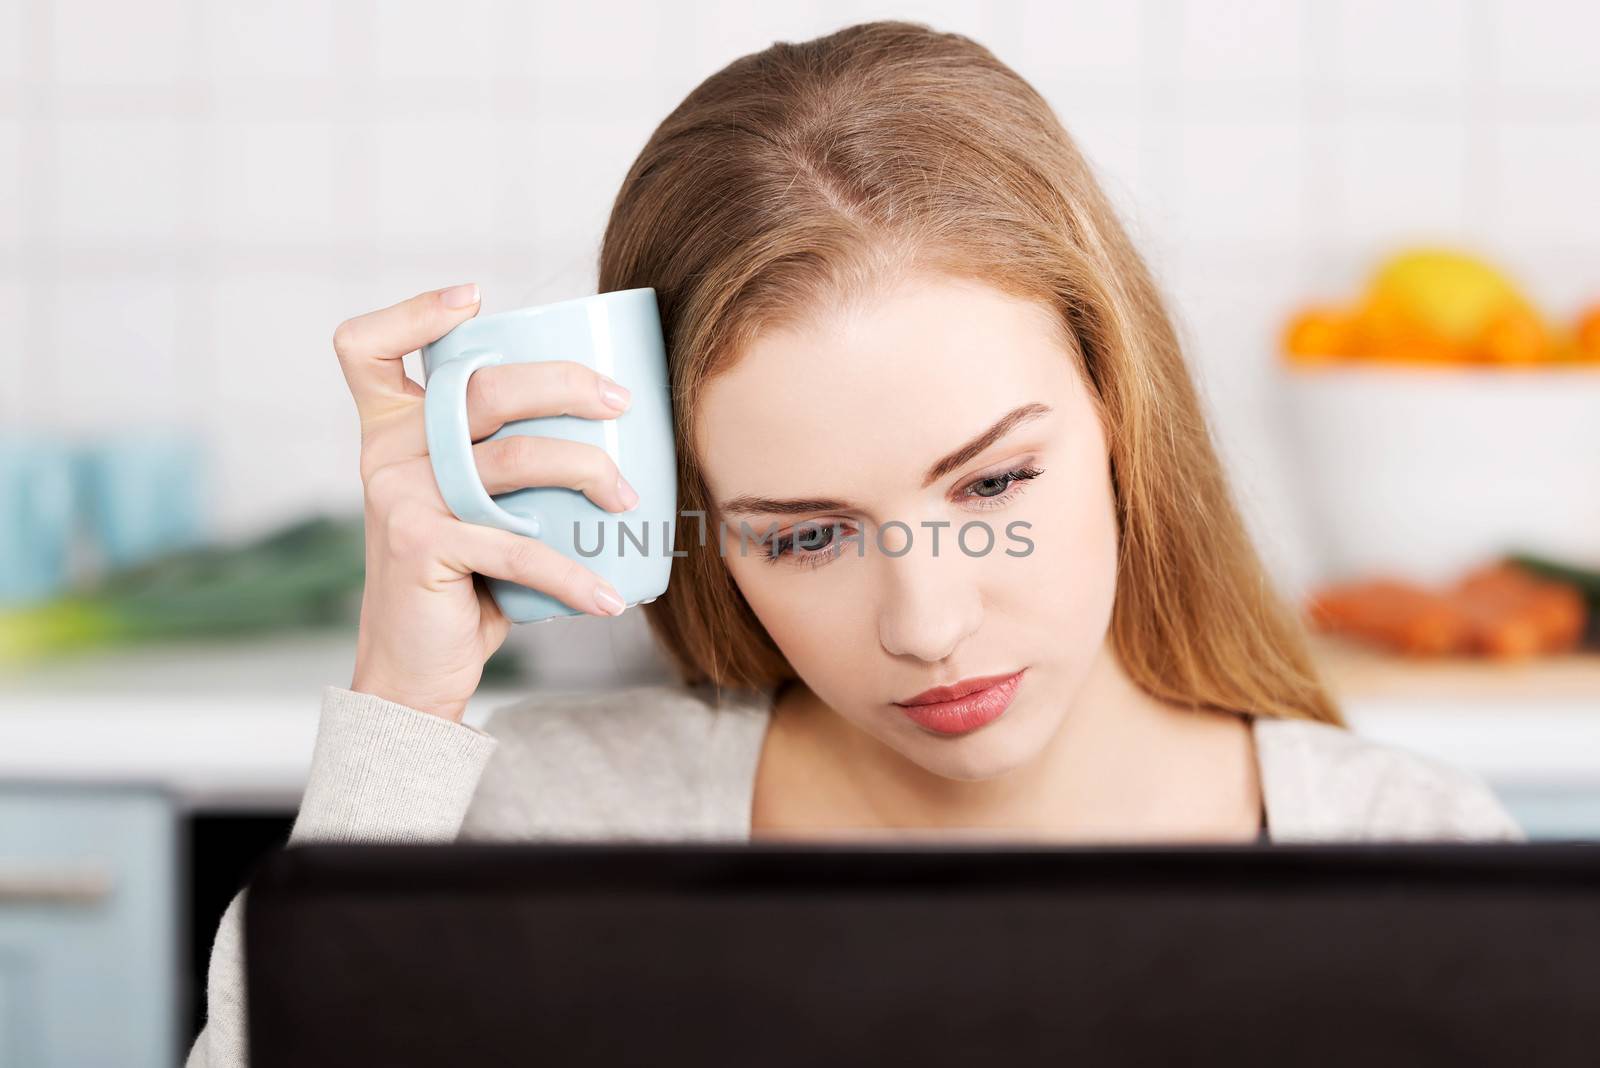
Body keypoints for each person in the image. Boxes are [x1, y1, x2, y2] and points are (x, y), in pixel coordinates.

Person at [184, 20, 1522, 1066]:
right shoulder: (532, 834)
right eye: (807, 534)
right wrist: (398, 708)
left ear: (1121, 409)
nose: (927, 624)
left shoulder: (1418, 854)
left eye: (994, 482)